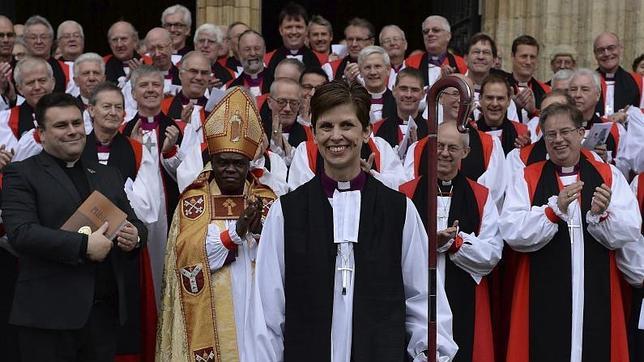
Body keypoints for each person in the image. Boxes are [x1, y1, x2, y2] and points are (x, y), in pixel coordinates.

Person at [248, 79, 445, 362]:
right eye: (326, 127)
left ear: (366, 132)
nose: (336, 136)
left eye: (347, 125)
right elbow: (267, 309)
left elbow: (422, 298)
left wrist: (429, 353)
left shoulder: (399, 210)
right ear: (314, 134)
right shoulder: (287, 212)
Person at [1, 92, 147, 361]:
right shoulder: (21, 173)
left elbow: (134, 221)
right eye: (61, 125)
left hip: (104, 317)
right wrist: (83, 246)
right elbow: (21, 233)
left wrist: (135, 236)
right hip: (49, 318)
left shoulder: (106, 174)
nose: (72, 131)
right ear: (41, 133)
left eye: (76, 124)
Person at [500, 102, 640, 362]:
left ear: (581, 132)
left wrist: (602, 215)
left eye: (565, 131)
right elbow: (511, 230)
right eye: (550, 134)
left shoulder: (608, 175)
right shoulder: (527, 176)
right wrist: (553, 211)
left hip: (597, 289)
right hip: (541, 293)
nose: (558, 140)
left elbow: (630, 229)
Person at [157, 87, 280, 361]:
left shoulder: (267, 200)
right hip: (211, 303)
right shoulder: (193, 201)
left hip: (256, 306)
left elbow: (282, 259)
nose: (230, 169)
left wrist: (260, 231)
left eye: (238, 163)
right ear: (212, 161)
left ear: (250, 164)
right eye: (223, 162)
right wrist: (235, 233)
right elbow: (186, 258)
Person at [400, 121, 501, 362]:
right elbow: (395, 249)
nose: (444, 153)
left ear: (465, 152)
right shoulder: (406, 193)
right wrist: (428, 244)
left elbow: (492, 254)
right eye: (439, 145)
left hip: (465, 300)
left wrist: (454, 244)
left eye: (453, 148)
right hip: (418, 297)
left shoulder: (481, 196)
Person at [83, 81, 159, 361]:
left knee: (123, 325)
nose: (113, 112)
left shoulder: (138, 151)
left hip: (124, 248)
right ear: (90, 110)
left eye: (119, 107)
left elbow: (149, 207)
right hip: (82, 243)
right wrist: (117, 194)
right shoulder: (76, 147)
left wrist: (103, 198)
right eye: (106, 106)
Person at [121, 65, 182, 303]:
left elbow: (190, 175)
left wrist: (171, 152)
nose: (150, 90)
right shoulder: (123, 130)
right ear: (133, 93)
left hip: (170, 212)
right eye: (143, 85)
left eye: (155, 85)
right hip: (137, 216)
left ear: (164, 89)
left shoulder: (178, 129)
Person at [568, 68, 626, 170]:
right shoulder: (558, 129)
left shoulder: (616, 130)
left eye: (585, 89)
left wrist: (607, 160)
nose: (577, 95)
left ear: (598, 95)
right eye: (573, 89)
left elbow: (627, 170)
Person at [0, 56, 54, 156]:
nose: (37, 87)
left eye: (42, 80)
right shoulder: (3, 122)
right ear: (19, 88)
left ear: (53, 82)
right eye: (30, 83)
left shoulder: (73, 113)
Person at [372, 67, 427, 149]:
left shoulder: (432, 131)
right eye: (403, 89)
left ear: (423, 94)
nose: (408, 95)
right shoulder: (376, 129)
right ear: (394, 91)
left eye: (414, 90)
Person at [405, 15, 467, 88]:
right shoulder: (410, 63)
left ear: (448, 36)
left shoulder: (461, 64)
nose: (430, 34)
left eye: (436, 30)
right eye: (425, 32)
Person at [264, 2, 321, 81]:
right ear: (281, 30)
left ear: (306, 30)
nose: (294, 32)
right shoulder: (269, 60)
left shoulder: (318, 60)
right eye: (289, 27)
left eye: (299, 27)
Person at [476, 73, 529, 155]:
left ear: (508, 101)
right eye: (489, 98)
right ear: (480, 99)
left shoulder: (521, 132)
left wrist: (526, 150)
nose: (494, 104)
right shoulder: (471, 131)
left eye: (500, 98)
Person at [504, 35, 551, 123]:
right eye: (524, 56)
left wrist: (534, 112)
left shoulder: (546, 91)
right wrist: (512, 106)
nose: (528, 62)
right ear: (512, 57)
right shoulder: (501, 87)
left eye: (532, 57)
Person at [593, 32, 642, 116]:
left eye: (611, 48)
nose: (606, 54)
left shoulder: (638, 82)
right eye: (601, 50)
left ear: (620, 49)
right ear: (595, 55)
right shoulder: (587, 82)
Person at [23, 15, 70, 93]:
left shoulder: (66, 69)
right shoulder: (15, 69)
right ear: (24, 41)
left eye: (43, 37)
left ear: (51, 40)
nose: (39, 41)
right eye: (33, 38)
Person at [322, 18, 375, 82]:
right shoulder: (329, 69)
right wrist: (345, 81)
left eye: (359, 39)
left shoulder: (384, 69)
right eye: (350, 39)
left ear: (371, 42)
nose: (354, 44)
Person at [357, 46, 396, 123]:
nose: (373, 72)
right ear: (360, 72)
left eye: (377, 66)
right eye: (367, 67)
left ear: (388, 70)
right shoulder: (354, 101)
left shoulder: (397, 101)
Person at [227, 30, 270, 97]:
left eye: (257, 48)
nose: (252, 53)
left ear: (264, 50)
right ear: (239, 52)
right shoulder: (229, 89)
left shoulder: (278, 83)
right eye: (247, 49)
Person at [194, 23, 235, 90]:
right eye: (201, 41)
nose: (205, 45)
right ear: (195, 46)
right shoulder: (183, 70)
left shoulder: (230, 75)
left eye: (211, 41)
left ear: (219, 48)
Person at [379, 25, 408, 90]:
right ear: (381, 47)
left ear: (405, 44)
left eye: (396, 39)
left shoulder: (416, 67)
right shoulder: (376, 72)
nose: (392, 43)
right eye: (387, 40)